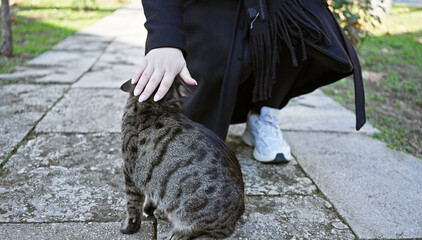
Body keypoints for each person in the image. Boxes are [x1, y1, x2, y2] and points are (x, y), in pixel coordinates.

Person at [130, 0, 366, 163]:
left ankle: (265, 112)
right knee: (188, 142)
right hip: (208, 11)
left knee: (297, 15)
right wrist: (165, 39)